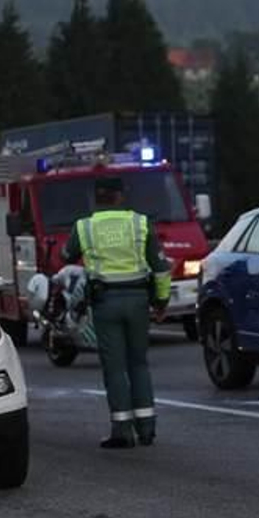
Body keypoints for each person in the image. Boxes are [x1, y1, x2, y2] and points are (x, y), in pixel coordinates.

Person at [61, 176, 172, 449]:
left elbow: (66, 255)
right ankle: (147, 429)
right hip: (137, 301)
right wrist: (161, 302)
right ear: (120, 196)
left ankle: (122, 431)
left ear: (97, 197)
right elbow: (160, 267)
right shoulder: (140, 223)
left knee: (115, 368)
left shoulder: (84, 226)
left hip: (105, 302)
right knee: (139, 363)